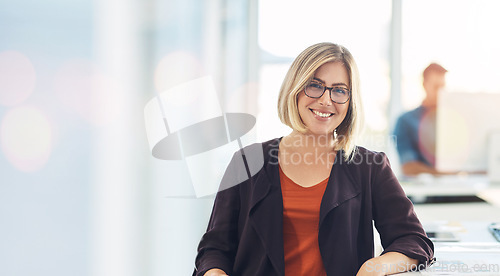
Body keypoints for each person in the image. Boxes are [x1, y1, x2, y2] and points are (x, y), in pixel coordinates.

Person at [194, 42, 434, 276]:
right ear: (295, 89)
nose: (326, 100)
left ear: (350, 102)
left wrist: (375, 266)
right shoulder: (247, 162)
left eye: (340, 90)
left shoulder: (370, 167)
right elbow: (214, 249)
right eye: (315, 85)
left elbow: (414, 241)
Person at [393, 63, 448, 176]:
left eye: (443, 87)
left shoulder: (452, 121)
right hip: (423, 191)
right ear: (424, 85)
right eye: (436, 87)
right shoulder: (405, 121)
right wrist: (445, 173)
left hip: (458, 187)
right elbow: (408, 167)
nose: (440, 92)